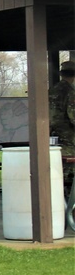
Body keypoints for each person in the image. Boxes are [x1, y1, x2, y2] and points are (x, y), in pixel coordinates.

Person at [49, 60, 75, 197]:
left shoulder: (52, 91)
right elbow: (73, 115)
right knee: (70, 174)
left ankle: (58, 200)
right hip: (69, 139)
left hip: (53, 136)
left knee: (57, 171)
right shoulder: (70, 92)